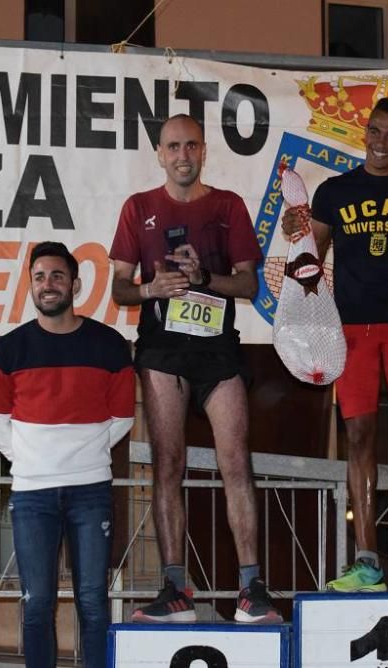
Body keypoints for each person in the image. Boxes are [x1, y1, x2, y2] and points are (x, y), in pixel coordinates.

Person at [108, 113, 280, 623]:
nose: (182, 155)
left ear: (204, 151)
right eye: (173, 146)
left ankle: (252, 588)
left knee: (236, 463)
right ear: (160, 154)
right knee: (168, 466)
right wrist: (148, 290)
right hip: (162, 349)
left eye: (191, 146)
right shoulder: (138, 208)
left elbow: (249, 286)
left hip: (218, 351)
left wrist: (205, 277)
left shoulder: (228, 206)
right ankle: (175, 588)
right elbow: (119, 287)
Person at [281, 96, 388, 592]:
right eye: (375, 131)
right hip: (350, 330)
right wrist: (296, 233)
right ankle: (366, 560)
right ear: (366, 132)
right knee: (358, 438)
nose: (380, 142)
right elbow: (311, 253)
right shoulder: (335, 191)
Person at [0, 241, 135, 668]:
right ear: (30, 287)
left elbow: (122, 418)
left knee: (93, 602)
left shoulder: (109, 345)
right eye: (39, 277)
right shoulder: (8, 350)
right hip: (32, 496)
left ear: (75, 285)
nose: (48, 285)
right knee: (36, 605)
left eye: (57, 276)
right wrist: (34, 458)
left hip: (91, 494)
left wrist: (80, 454)